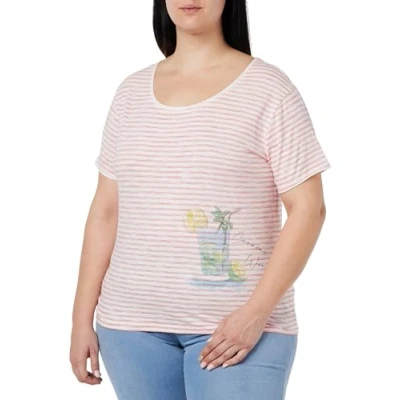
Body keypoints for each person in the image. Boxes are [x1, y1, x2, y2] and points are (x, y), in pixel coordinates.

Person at [69, 0, 331, 399]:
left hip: (240, 330)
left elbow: (308, 209)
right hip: (129, 327)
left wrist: (255, 314)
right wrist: (80, 319)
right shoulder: (130, 93)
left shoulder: (269, 89)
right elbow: (106, 211)